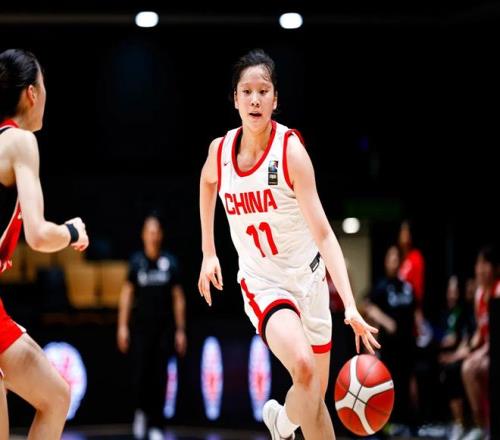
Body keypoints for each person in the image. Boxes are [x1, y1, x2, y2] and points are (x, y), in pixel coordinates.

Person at [198, 48, 379, 440]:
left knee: (313, 400)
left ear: (275, 99)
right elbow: (207, 182)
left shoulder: (291, 152)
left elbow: (324, 233)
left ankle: (284, 422)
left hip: (309, 282)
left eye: (263, 91)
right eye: (247, 92)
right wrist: (208, 251)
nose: (255, 99)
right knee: (304, 369)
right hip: (264, 283)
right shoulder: (221, 152)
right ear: (235, 99)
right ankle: (281, 424)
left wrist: (349, 304)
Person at [0, 49, 89, 440]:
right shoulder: (20, 142)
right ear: (32, 94)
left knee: (56, 394)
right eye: (45, 86)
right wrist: (72, 231)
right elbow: (37, 235)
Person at [117, 214, 187, 440]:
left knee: (161, 377)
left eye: (156, 232)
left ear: (161, 235)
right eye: (150, 232)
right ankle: (141, 414)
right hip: (140, 330)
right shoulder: (136, 262)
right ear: (143, 235)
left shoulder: (170, 263)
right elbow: (127, 295)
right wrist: (122, 327)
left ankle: (157, 423)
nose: (153, 236)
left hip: (164, 330)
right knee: (141, 375)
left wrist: (180, 330)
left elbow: (178, 298)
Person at [364, 245, 416, 434]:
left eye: (397, 258)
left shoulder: (407, 288)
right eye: (391, 258)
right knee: (388, 385)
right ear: (386, 262)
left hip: (407, 344)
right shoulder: (381, 287)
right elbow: (367, 306)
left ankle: (408, 424)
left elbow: (415, 313)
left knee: (406, 384)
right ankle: (386, 424)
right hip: (389, 347)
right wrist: (386, 321)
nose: (394, 262)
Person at [461, 246, 499, 440]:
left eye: (485, 264)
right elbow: (480, 332)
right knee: (467, 367)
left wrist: (480, 353)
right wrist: (466, 350)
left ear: (495, 268)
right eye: (478, 264)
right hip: (486, 350)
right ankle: (483, 427)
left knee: (476, 367)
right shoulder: (478, 296)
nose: (481, 269)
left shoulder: (498, 291)